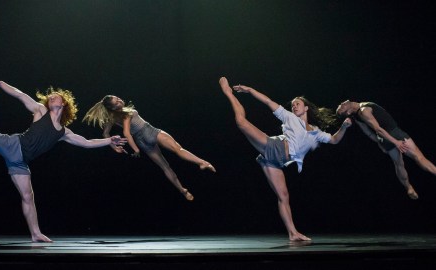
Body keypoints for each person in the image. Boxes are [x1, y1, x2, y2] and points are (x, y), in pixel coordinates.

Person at [0, 79, 127, 243]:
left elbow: (87, 143)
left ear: (64, 103)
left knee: (28, 197)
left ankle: (36, 234)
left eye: (56, 96)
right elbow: (20, 95)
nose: (52, 97)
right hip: (13, 145)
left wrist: (109, 141)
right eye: (50, 97)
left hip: (20, 162)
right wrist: (1, 84)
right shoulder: (40, 111)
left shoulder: (64, 133)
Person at [219, 77, 352, 241]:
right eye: (293, 104)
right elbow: (268, 101)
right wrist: (250, 90)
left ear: (306, 108)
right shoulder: (289, 117)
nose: (294, 106)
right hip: (275, 147)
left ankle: (292, 233)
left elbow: (334, 140)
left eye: (297, 103)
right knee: (240, 121)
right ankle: (228, 93)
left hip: (277, 162)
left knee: (283, 196)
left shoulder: (316, 132)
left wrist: (344, 127)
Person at [82, 95, 216, 201]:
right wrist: (135, 149)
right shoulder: (125, 113)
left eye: (117, 98)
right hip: (150, 131)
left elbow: (105, 134)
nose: (119, 101)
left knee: (165, 167)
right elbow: (126, 133)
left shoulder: (111, 117)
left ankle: (183, 191)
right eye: (116, 102)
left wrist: (114, 147)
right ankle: (202, 162)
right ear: (113, 108)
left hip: (142, 140)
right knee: (178, 149)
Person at [336, 100, 436, 200]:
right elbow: (378, 129)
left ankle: (408, 187)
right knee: (419, 157)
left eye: (340, 105)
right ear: (348, 112)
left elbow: (368, 133)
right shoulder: (363, 111)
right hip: (394, 134)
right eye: (341, 108)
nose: (341, 104)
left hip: (384, 139)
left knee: (398, 164)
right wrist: (396, 142)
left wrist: (379, 142)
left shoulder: (357, 116)